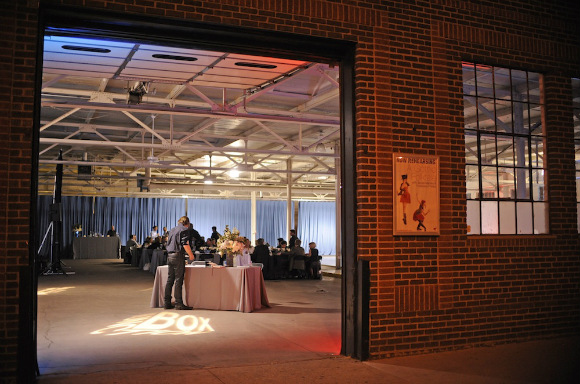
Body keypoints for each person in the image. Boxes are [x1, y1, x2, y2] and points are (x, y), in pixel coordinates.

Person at [164, 216, 195, 310]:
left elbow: (168, 243)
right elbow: (185, 244)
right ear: (187, 223)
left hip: (169, 255)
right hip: (178, 256)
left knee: (170, 279)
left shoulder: (172, 229)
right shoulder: (184, 230)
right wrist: (191, 255)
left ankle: (167, 303)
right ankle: (178, 304)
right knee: (178, 280)